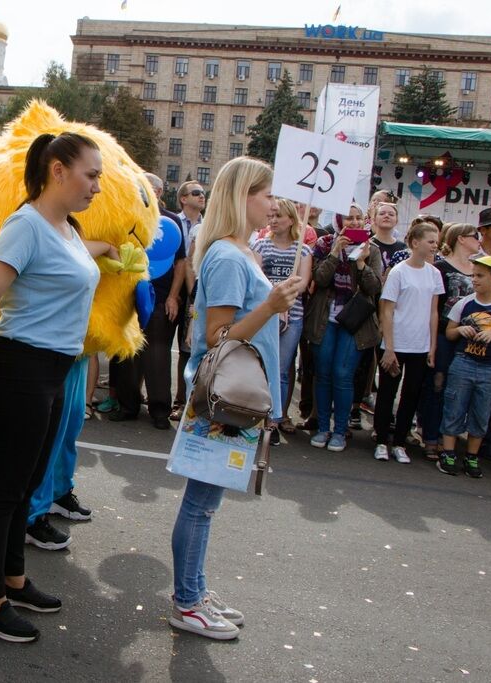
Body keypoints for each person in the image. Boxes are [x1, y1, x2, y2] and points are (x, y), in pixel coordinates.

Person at [0, 132, 115, 643]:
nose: (97, 186)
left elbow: (85, 259)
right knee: (2, 490)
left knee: (26, 485)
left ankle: (13, 578)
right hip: (19, 369)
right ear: (57, 170)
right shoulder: (26, 225)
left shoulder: (66, 229)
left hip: (55, 373)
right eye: (91, 174)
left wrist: (116, 247)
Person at [170, 156, 301, 640]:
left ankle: (195, 590)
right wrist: (270, 306)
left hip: (238, 396)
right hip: (223, 397)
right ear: (241, 196)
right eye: (264, 194)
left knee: (206, 501)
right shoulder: (227, 255)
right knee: (201, 502)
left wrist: (271, 309)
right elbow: (219, 335)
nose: (272, 204)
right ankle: (187, 601)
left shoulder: (242, 251)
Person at [110, 173, 186, 430]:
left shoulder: (172, 221)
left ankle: (160, 410)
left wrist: (174, 296)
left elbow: (180, 263)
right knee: (127, 352)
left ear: (158, 192)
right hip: (128, 295)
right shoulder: (127, 215)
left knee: (158, 353)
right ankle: (128, 405)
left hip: (161, 297)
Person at [305, 204, 383, 452]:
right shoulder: (324, 243)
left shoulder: (372, 249)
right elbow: (318, 279)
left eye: (360, 218)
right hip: (325, 318)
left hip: (354, 322)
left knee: (342, 374)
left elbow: (374, 288)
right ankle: (322, 428)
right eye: (350, 217)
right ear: (339, 220)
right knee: (324, 372)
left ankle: (340, 430)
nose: (356, 222)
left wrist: (361, 264)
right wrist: (335, 252)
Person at [437, 256, 491, 478]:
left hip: (489, 367)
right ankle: (449, 452)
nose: (475, 280)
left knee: (481, 411)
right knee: (454, 406)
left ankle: (472, 456)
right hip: (463, 361)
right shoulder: (464, 303)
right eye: (473, 275)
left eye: (480, 276)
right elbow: (450, 331)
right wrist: (460, 330)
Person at [373, 221, 444, 463]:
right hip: (396, 343)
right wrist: (389, 347)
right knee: (387, 393)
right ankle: (382, 440)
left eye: (436, 241)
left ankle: (400, 443)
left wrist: (432, 346)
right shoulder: (398, 272)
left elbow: (434, 312)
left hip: (420, 345)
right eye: (430, 241)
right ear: (415, 243)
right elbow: (387, 311)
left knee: (411, 395)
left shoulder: (435, 274)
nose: (435, 245)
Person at [418, 223, 480, 459]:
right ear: (461, 239)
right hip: (444, 335)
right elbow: (434, 307)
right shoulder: (441, 268)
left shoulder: (478, 267)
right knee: (437, 384)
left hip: (470, 339)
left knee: (458, 390)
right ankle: (431, 436)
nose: (479, 240)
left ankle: (449, 436)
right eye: (475, 236)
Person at [251, 198, 311, 441]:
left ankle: (274, 421)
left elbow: (303, 282)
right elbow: (258, 277)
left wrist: (286, 299)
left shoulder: (303, 250)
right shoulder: (261, 246)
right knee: (260, 367)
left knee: (282, 370)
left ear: (291, 220)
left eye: (279, 216)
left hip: (293, 316)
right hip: (266, 314)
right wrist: (276, 296)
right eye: (271, 216)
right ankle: (255, 416)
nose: (273, 220)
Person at [171, 180, 205, 417]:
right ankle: (179, 400)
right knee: (179, 347)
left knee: (191, 347)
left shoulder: (206, 226)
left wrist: (194, 295)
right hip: (173, 288)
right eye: (196, 192)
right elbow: (186, 263)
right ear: (183, 198)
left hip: (197, 293)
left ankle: (191, 401)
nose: (201, 196)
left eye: (203, 193)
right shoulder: (173, 222)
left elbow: (192, 264)